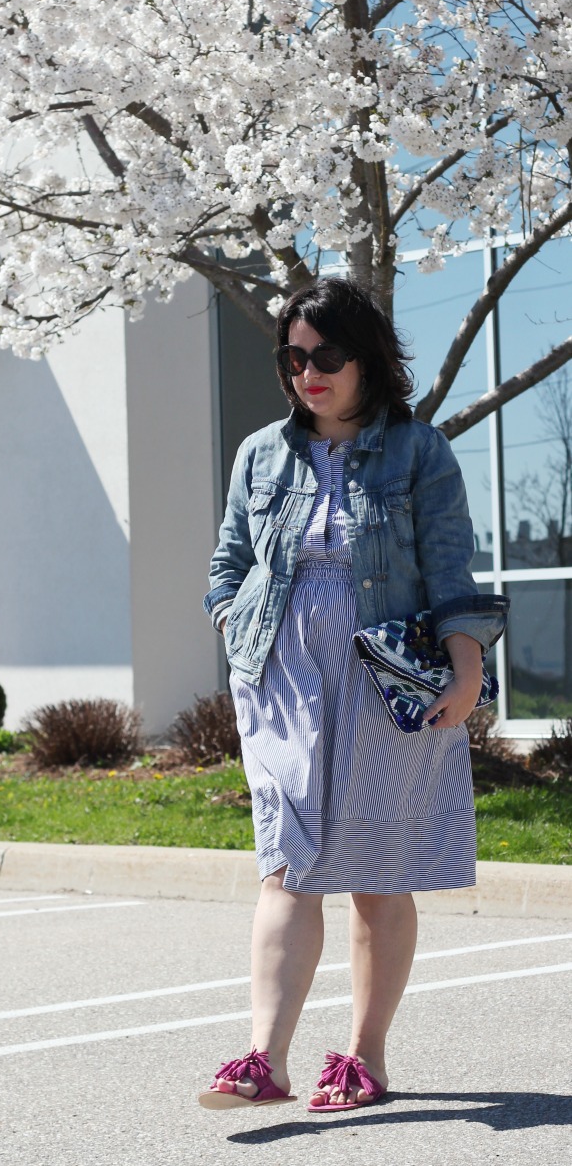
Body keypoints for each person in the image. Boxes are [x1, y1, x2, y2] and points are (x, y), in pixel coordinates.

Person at [199, 277, 508, 1113]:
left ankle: (364, 1055)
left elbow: (450, 568)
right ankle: (265, 1057)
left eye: (326, 355)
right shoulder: (260, 452)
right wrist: (234, 624)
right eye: (293, 358)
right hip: (282, 675)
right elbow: (229, 562)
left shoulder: (419, 451)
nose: (309, 373)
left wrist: (466, 664)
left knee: (376, 871)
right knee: (288, 862)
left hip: (385, 672)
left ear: (367, 357)